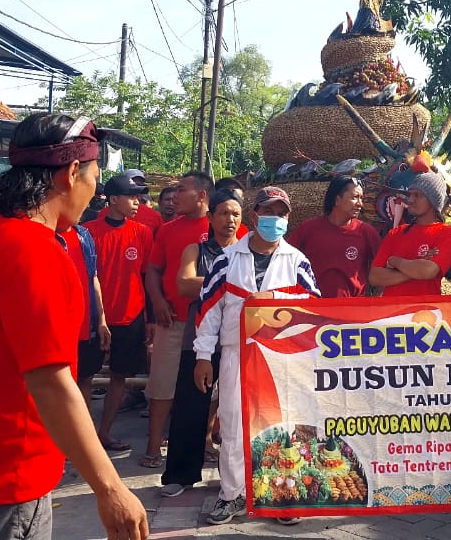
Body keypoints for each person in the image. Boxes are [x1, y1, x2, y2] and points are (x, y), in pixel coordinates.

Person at [0, 113, 148, 540]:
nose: (95, 191)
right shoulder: (37, 252)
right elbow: (50, 382)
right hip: (4, 477)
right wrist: (110, 487)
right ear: (71, 173)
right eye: (95, 176)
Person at [193, 186, 320, 525]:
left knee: (284, 424)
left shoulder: (298, 262)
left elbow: (314, 310)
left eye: (282, 213)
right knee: (234, 424)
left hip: (283, 358)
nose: (275, 219)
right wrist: (204, 355)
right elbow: (209, 311)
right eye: (269, 212)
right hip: (237, 354)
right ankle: (232, 495)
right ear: (254, 216)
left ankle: (283, 494)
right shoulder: (226, 259)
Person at [144, 171, 240, 473]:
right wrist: (158, 301)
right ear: (213, 214)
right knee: (163, 386)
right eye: (224, 213)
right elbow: (159, 273)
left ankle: (206, 441)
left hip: (222, 326)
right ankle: (153, 445)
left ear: (202, 196)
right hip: (174, 321)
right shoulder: (170, 231)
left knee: (211, 390)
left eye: (181, 190)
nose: (174, 196)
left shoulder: (242, 238)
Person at [84, 174, 155, 461]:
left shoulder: (142, 232)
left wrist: (148, 318)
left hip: (131, 315)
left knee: (119, 376)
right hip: (92, 317)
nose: (138, 202)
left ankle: (104, 432)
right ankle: (83, 437)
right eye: (131, 196)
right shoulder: (88, 232)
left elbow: (147, 276)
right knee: (84, 377)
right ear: (113, 200)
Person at [288, 176, 382, 297]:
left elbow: (383, 270)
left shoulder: (366, 231)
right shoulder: (308, 229)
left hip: (352, 311)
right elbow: (286, 261)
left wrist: (377, 300)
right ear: (337, 200)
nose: (360, 204)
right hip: (313, 308)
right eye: (355, 198)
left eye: (361, 198)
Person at [369, 173, 451, 296]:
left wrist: (395, 261)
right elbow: (375, 277)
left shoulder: (447, 234)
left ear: (433, 201)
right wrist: (417, 267)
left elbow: (428, 271)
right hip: (392, 312)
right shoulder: (396, 233)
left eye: (417, 195)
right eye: (410, 194)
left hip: (425, 312)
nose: (410, 200)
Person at [56, 221, 111, 408]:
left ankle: (82, 432)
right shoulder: (43, 236)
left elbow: (93, 277)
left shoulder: (84, 234)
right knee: (59, 383)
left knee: (85, 379)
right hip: (59, 326)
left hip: (87, 323)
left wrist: (102, 320)